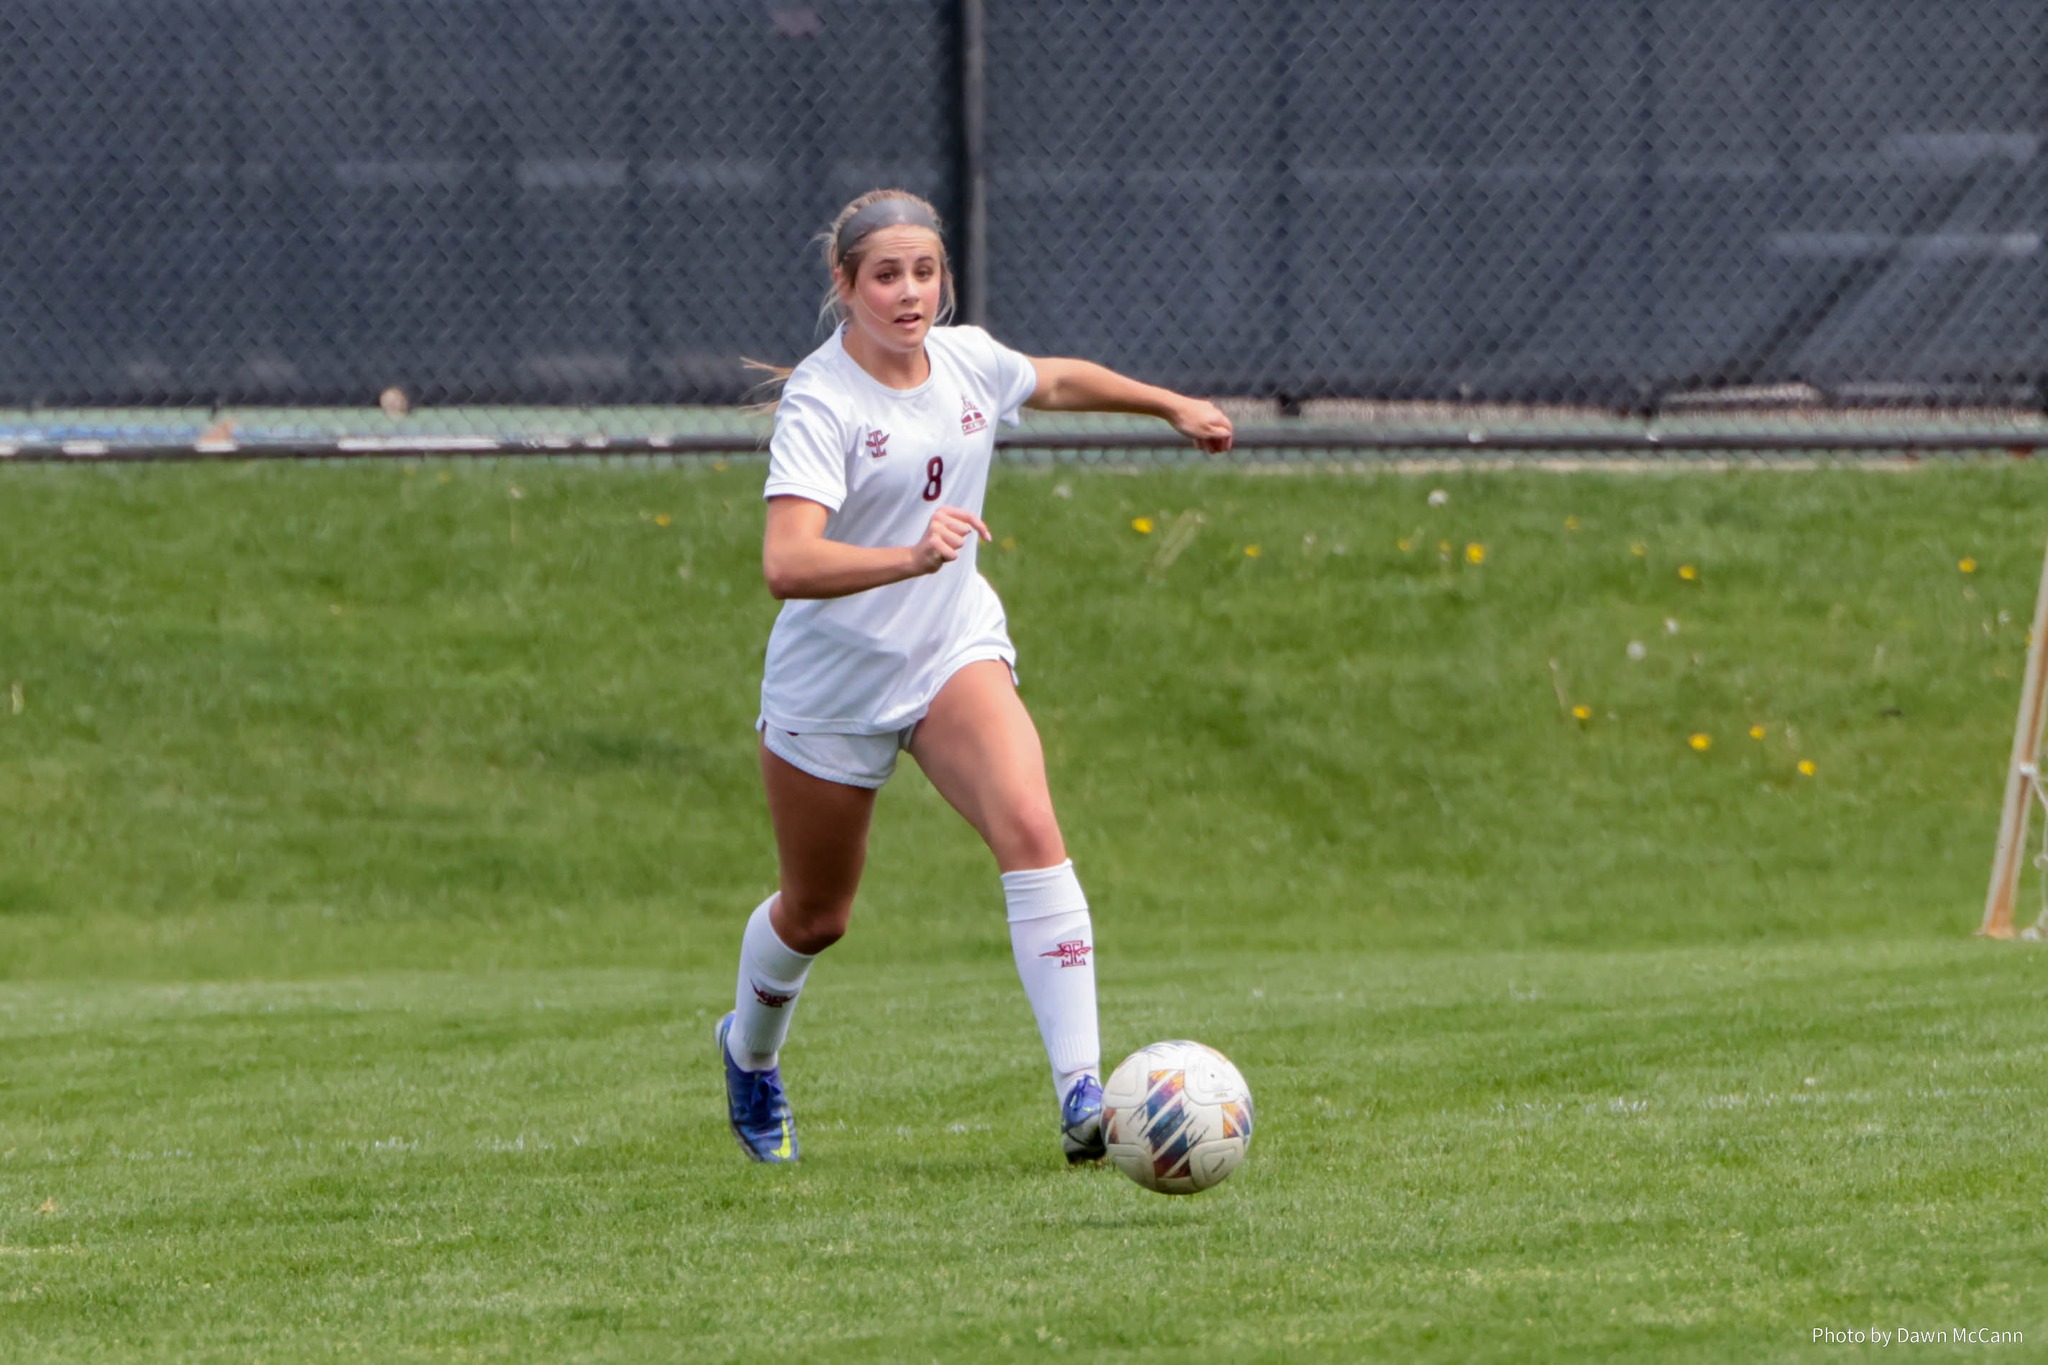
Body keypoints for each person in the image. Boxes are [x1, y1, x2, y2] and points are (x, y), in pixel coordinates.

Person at [717, 188, 1233, 1164]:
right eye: (886, 275)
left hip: (951, 650)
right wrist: (910, 554)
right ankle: (749, 1051)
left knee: (1031, 830)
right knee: (817, 915)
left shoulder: (966, 360)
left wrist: (1168, 405)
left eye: (924, 271)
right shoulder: (824, 401)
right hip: (834, 687)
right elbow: (786, 562)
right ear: (845, 285)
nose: (909, 292)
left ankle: (1083, 1097)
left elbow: (1056, 381)